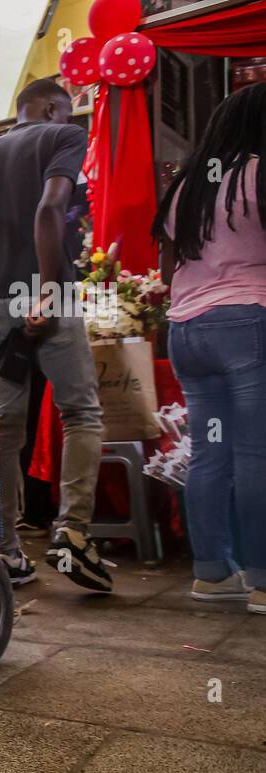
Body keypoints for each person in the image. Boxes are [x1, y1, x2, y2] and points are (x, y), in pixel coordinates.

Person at [0, 77, 110, 592]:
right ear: (50, 107)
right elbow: (48, 210)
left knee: (5, 428)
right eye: (63, 109)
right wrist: (47, 290)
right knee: (80, 411)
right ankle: (72, 533)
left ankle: (7, 551)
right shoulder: (63, 137)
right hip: (48, 290)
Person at [153, 82, 266, 613]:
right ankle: (263, 580)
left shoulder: (185, 187)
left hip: (187, 331)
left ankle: (213, 572)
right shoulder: (258, 174)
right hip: (247, 324)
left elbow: (166, 268)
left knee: (211, 451)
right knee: (255, 453)